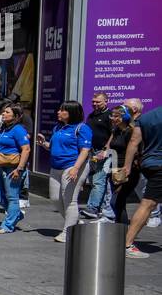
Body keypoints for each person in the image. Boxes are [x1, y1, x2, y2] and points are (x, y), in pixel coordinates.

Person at [34, 101, 93, 243]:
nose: (58, 112)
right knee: (55, 198)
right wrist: (44, 144)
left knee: (70, 201)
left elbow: (85, 150)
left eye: (62, 110)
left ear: (71, 113)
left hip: (72, 166)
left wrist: (76, 168)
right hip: (56, 167)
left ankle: (68, 232)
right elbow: (53, 147)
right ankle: (75, 222)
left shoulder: (82, 128)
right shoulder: (58, 128)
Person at [120, 104, 162, 259]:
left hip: (149, 163)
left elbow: (133, 142)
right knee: (148, 203)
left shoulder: (146, 117)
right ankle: (127, 244)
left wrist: (127, 166)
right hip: (159, 165)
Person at [0, 103, 31, 234]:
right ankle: (15, 213)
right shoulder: (4, 128)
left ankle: (8, 225)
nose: (3, 114)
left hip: (13, 168)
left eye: (7, 112)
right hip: (0, 166)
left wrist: (19, 169)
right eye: (3, 112)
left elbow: (26, 149)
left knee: (12, 197)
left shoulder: (19, 130)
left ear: (15, 116)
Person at [82, 92, 114, 220]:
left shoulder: (109, 115)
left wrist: (106, 149)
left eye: (98, 102)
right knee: (97, 181)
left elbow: (114, 133)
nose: (95, 104)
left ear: (106, 101)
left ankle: (93, 208)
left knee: (98, 181)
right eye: (93, 101)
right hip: (92, 152)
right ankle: (100, 208)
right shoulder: (91, 115)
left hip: (104, 152)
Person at [107, 105, 137, 226]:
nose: (113, 118)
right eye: (112, 115)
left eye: (116, 116)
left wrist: (126, 170)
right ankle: (120, 231)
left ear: (125, 116)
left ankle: (124, 232)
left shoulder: (131, 132)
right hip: (115, 168)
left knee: (117, 201)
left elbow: (136, 152)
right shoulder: (116, 130)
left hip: (127, 169)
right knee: (118, 203)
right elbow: (110, 147)